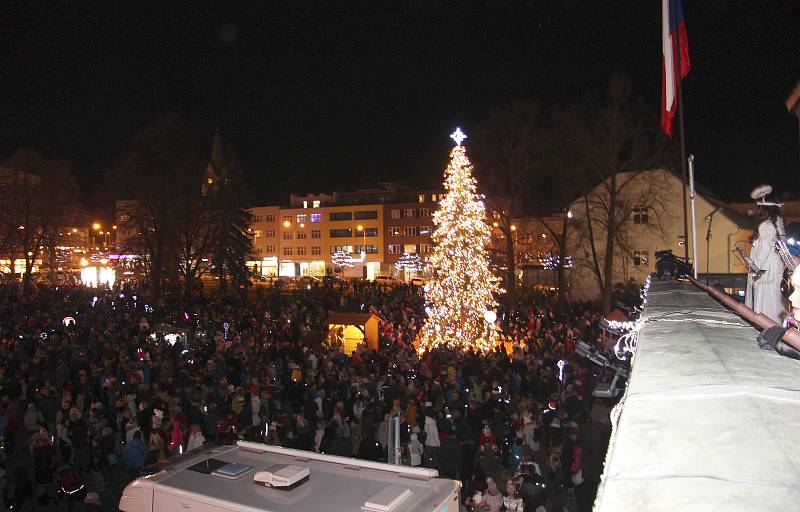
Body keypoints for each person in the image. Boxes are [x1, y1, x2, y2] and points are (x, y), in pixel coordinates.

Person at [746, 184, 786, 324]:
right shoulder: (778, 223)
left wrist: (752, 267)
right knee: (773, 304)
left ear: (763, 208)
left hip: (765, 274)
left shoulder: (766, 226)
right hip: (773, 273)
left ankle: (767, 331)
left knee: (765, 306)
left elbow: (762, 255)